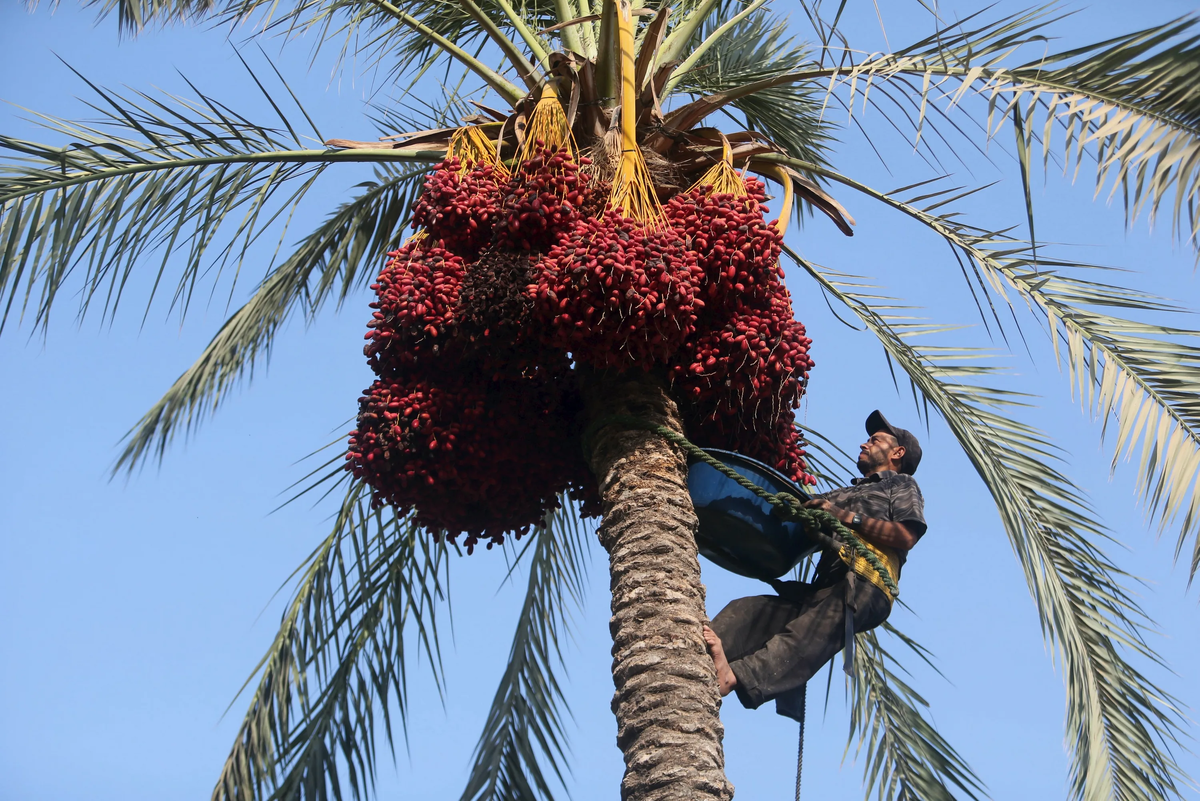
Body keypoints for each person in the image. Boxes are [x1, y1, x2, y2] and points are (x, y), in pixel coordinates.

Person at [702, 410, 926, 719]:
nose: (864, 444)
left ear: (897, 453)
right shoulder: (846, 492)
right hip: (823, 590)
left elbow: (906, 535)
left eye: (874, 440)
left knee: (806, 635)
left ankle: (736, 676)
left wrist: (846, 517)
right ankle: (696, 657)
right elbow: (802, 508)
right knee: (749, 611)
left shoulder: (900, 486)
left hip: (865, 583)